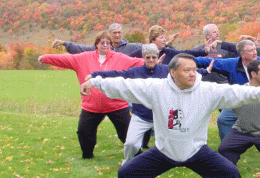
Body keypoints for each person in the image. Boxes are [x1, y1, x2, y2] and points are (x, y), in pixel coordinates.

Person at [80, 53, 260, 178]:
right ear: (173, 72)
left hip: (196, 150)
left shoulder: (207, 90)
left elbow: (237, 92)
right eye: (186, 70)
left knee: (230, 175)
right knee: (126, 174)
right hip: (164, 150)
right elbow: (125, 86)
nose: (192, 73)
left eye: (194, 69)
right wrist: (95, 82)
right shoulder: (156, 89)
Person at [86, 44, 214, 165]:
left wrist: (206, 71)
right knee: (131, 144)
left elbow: (186, 74)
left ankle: (179, 160)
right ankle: (129, 163)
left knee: (178, 137)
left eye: (154, 57)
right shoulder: (135, 72)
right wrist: (95, 75)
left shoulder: (166, 71)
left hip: (165, 114)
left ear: (158, 57)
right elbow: (117, 74)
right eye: (148, 57)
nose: (151, 60)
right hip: (142, 116)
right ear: (143, 58)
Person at [38, 31, 144, 159]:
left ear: (111, 45)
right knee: (84, 132)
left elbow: (137, 62)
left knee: (127, 134)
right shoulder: (83, 58)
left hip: (117, 105)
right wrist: (45, 58)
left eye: (108, 43)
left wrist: (155, 63)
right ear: (96, 44)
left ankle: (138, 156)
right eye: (102, 42)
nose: (105, 45)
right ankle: (87, 156)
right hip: (91, 107)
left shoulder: (120, 58)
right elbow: (64, 59)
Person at [129, 25, 211, 64]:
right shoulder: (143, 51)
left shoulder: (168, 52)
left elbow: (186, 53)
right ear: (153, 40)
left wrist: (204, 52)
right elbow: (127, 60)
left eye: (164, 37)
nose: (164, 40)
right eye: (161, 38)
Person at [51, 23, 143, 56]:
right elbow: (80, 49)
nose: (117, 35)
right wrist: (64, 43)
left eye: (119, 32)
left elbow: (148, 49)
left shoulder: (131, 47)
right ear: (109, 34)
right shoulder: (101, 48)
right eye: (114, 33)